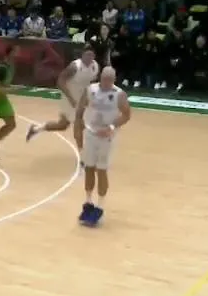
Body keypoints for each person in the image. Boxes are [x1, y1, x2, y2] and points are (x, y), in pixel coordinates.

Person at [74, 66, 132, 227]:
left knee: (101, 170)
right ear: (101, 78)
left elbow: (127, 114)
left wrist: (111, 127)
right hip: (91, 134)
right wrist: (79, 121)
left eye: (110, 80)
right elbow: (81, 107)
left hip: (107, 137)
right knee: (89, 168)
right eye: (105, 79)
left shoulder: (119, 94)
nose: (107, 82)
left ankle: (100, 206)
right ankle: (88, 202)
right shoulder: (91, 90)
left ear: (114, 80)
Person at [27, 47, 99, 148]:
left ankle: (36, 129)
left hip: (82, 98)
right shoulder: (75, 67)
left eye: (91, 55)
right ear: (82, 55)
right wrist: (70, 98)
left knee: (63, 125)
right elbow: (60, 81)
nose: (89, 57)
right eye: (87, 55)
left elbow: (92, 82)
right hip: (69, 98)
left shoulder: (95, 66)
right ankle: (82, 152)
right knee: (79, 123)